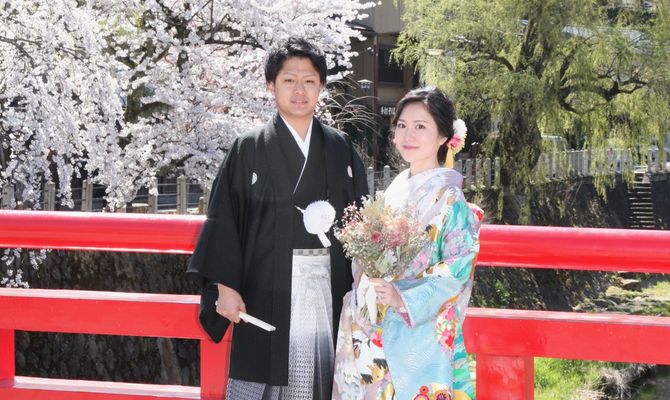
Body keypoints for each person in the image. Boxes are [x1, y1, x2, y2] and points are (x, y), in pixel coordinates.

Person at [187, 37, 368, 400]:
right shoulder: (249, 147)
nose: (300, 90)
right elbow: (224, 219)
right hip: (264, 289)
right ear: (272, 85)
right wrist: (225, 286)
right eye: (289, 80)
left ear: (321, 86)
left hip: (329, 288)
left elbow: (359, 220)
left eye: (309, 81)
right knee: (260, 381)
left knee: (325, 379)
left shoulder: (341, 147)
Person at [332, 87, 482, 400]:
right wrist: (367, 281)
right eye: (401, 125)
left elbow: (457, 269)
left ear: (443, 136)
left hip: (420, 336)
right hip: (374, 329)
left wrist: (402, 297)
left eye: (420, 126)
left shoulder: (451, 199)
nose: (407, 135)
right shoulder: (394, 191)